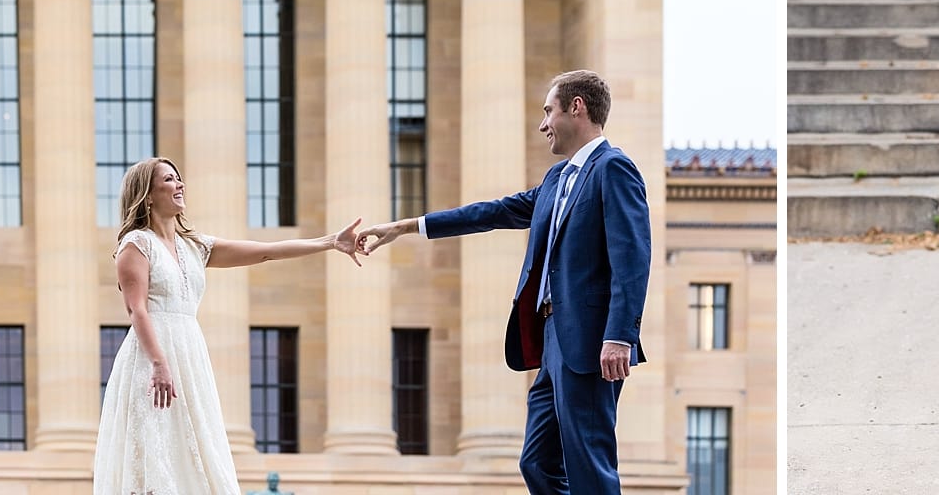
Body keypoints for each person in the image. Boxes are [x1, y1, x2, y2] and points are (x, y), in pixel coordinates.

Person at [358, 71, 651, 495]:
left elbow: (632, 259)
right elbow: (492, 212)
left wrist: (620, 336)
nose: (543, 123)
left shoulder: (614, 169)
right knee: (536, 462)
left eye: (548, 110)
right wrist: (407, 226)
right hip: (553, 341)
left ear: (577, 107)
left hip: (590, 341)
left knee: (589, 460)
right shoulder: (557, 180)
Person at [93, 157, 362, 493]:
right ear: (147, 195)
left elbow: (266, 252)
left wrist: (329, 242)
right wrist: (159, 364)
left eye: (179, 179)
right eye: (169, 179)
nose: (180, 185)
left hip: (190, 353)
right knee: (156, 449)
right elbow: (137, 311)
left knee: (197, 450)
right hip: (153, 356)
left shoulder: (195, 246)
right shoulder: (136, 245)